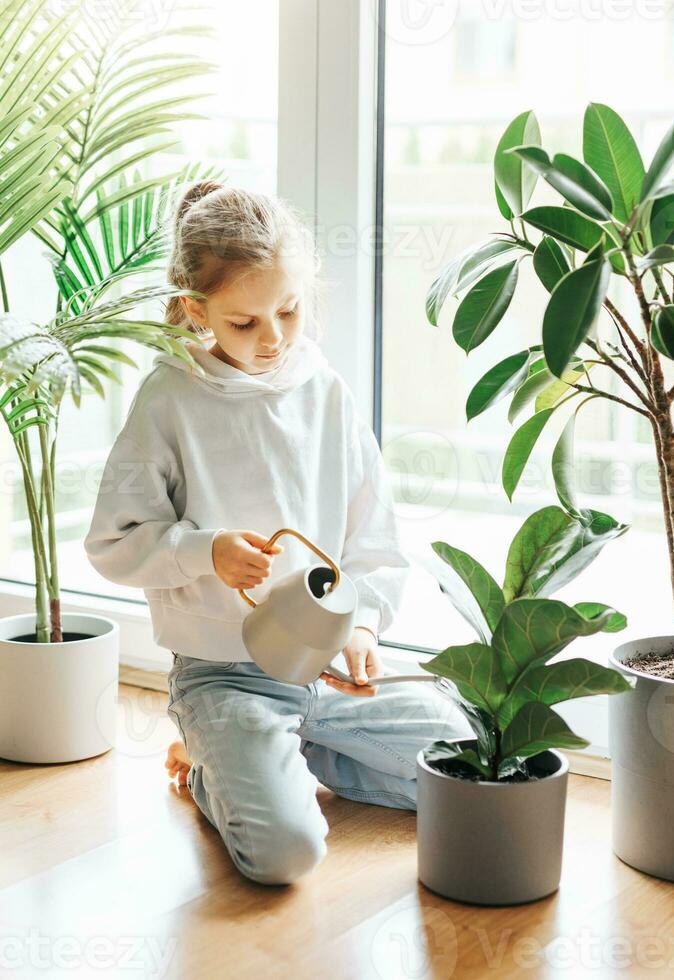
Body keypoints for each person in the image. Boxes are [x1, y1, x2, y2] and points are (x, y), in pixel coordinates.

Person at [83, 180, 472, 886]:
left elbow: (371, 539)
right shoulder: (168, 398)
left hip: (324, 669)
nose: (271, 340)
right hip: (225, 677)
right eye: (243, 322)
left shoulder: (323, 389)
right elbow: (113, 543)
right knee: (286, 855)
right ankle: (216, 770)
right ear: (194, 310)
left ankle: (280, 759)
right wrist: (202, 552)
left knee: (473, 768)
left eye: (288, 312)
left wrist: (362, 630)